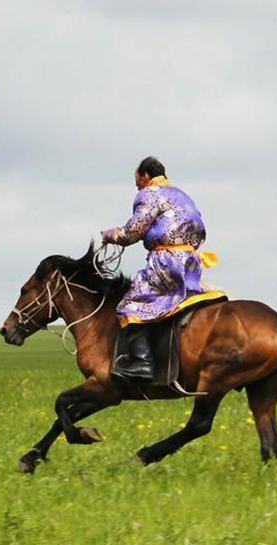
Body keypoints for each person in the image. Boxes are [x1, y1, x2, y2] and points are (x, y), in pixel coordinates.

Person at [101, 156, 215, 381]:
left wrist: (110, 235)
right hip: (191, 264)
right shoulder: (182, 194)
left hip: (166, 262)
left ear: (145, 176)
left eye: (137, 179)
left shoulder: (149, 194)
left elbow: (132, 232)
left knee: (129, 305)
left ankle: (143, 362)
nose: (136, 185)